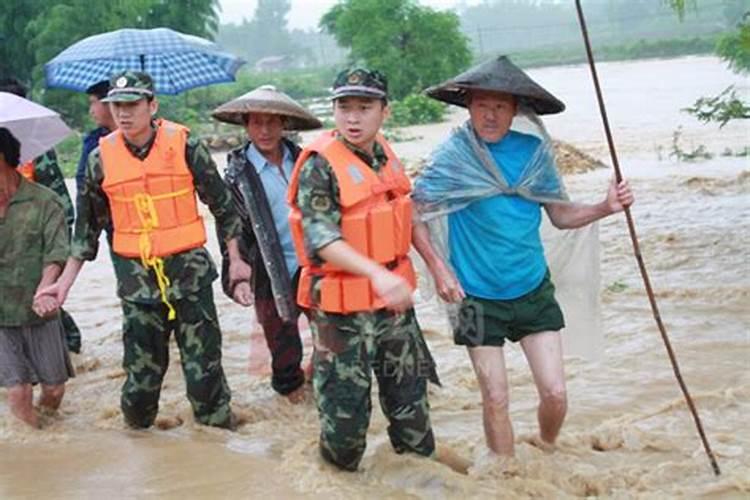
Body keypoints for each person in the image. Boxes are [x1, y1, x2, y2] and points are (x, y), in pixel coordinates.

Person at [412, 56, 635, 457]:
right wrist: (439, 268)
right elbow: (413, 214)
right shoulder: (452, 157)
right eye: (482, 105)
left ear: (515, 110)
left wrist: (605, 206)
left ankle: (546, 448)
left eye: (500, 106)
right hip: (474, 298)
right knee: (495, 398)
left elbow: (561, 214)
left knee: (555, 392)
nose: (490, 115)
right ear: (469, 106)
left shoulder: (533, 153)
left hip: (531, 288)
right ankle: (506, 474)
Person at [37, 71, 251, 430]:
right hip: (138, 290)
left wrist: (237, 261)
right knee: (139, 392)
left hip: (191, 282)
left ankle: (216, 453)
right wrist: (63, 285)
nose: (123, 113)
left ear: (152, 105)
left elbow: (224, 207)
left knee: (206, 383)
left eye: (132, 105)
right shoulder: (99, 160)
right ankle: (143, 452)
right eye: (116, 105)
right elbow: (85, 233)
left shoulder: (185, 146)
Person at [288, 68, 464, 472]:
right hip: (340, 313)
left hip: (393, 310)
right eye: (343, 107)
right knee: (345, 429)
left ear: (385, 111)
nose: (352, 117)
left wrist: (438, 268)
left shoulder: (385, 153)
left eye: (364, 107)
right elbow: (321, 238)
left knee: (413, 415)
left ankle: (419, 484)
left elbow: (404, 215)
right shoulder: (320, 165)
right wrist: (378, 275)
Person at [211, 85, 322, 401]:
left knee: (331, 335)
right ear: (246, 125)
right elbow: (230, 224)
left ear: (284, 124)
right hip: (268, 271)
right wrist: (236, 265)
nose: (264, 130)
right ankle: (290, 404)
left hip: (312, 265)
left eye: (272, 122)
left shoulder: (306, 162)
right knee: (284, 350)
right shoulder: (237, 174)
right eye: (257, 122)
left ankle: (316, 385)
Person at [0, 77, 81, 354]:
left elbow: (60, 204)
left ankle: (67, 343)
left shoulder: (37, 153)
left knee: (40, 296)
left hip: (36, 239)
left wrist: (59, 249)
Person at [0, 127, 74, 428]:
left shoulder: (45, 202)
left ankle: (45, 432)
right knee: (18, 391)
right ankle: (35, 460)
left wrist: (46, 288)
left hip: (37, 307)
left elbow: (56, 253)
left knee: (54, 389)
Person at [76, 80, 116, 194]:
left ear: (109, 103)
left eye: (93, 102)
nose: (91, 111)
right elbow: (82, 183)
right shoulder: (93, 141)